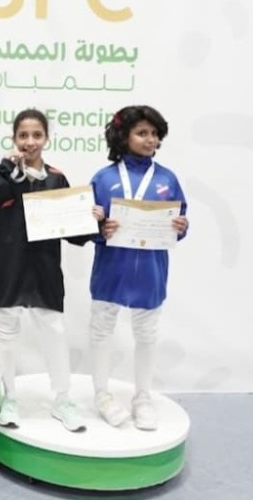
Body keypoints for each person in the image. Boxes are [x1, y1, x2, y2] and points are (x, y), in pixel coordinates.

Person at [0, 109, 99, 432]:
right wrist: (5, 170)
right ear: (14, 139)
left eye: (36, 135)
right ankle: (10, 399)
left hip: (44, 273)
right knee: (6, 337)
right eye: (23, 135)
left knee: (55, 333)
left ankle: (63, 400)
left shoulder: (56, 178)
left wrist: (92, 220)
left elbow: (74, 233)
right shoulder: (4, 176)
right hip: (7, 270)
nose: (30, 142)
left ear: (47, 139)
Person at [87, 105, 189, 431]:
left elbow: (179, 222)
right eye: (142, 133)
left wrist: (181, 226)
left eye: (154, 134)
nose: (150, 140)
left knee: (147, 333)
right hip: (111, 268)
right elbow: (87, 223)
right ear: (123, 136)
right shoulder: (103, 179)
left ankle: (143, 397)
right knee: (101, 330)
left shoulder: (167, 179)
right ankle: (101, 394)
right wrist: (99, 228)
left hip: (150, 270)